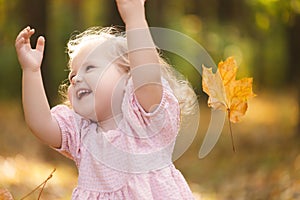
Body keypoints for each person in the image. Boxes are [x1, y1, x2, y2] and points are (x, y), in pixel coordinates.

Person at [15, 0, 197, 199]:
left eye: (89, 68)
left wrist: (134, 16)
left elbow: (146, 75)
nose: (76, 79)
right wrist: (31, 71)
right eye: (71, 76)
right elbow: (40, 123)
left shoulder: (143, 122)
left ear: (128, 74)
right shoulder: (81, 134)